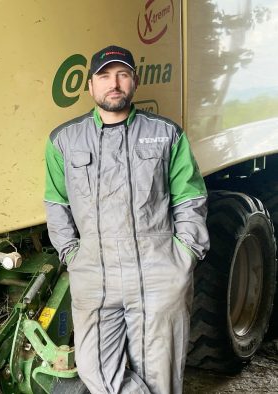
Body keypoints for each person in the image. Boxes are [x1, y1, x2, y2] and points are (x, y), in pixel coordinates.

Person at [44, 45, 209, 394]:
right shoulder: (63, 140)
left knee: (160, 377)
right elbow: (56, 203)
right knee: (95, 370)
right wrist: (72, 255)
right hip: (94, 273)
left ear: (134, 81)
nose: (113, 83)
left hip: (158, 271)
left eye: (122, 75)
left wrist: (184, 256)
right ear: (90, 87)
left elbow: (190, 198)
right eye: (104, 76)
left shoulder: (166, 134)